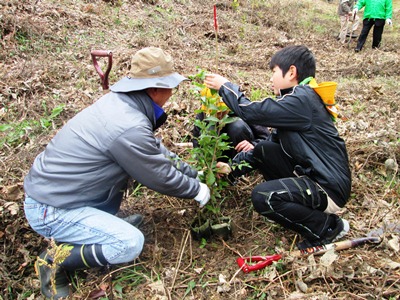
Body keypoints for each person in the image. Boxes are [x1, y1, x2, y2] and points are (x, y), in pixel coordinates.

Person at [23, 47, 211, 299]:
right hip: (52, 210)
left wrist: (193, 173)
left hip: (60, 195)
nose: (172, 93)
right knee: (129, 243)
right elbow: (157, 173)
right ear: (154, 89)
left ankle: (96, 230)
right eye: (170, 86)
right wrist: (195, 189)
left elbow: (156, 151)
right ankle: (54, 260)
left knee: (121, 227)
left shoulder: (122, 105)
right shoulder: (128, 125)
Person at [204, 45, 352, 250]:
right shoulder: (298, 101)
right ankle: (305, 211)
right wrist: (232, 168)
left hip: (326, 187)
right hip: (311, 176)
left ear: (291, 72)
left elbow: (251, 111)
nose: (271, 78)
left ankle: (326, 227)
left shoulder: (303, 99)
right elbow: (265, 148)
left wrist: (225, 86)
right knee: (264, 148)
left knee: (263, 196)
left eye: (274, 71)